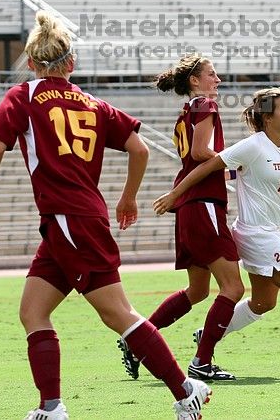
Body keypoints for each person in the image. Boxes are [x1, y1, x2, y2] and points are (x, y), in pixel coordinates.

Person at [0, 11, 211, 420]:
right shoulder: (92, 102)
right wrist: (128, 198)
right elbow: (140, 148)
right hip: (70, 221)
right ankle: (52, 407)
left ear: (30, 63)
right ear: (71, 64)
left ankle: (187, 390)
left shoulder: (23, 95)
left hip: (69, 219)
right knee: (33, 311)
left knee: (117, 313)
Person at [154, 87, 280, 377]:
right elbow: (206, 167)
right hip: (255, 232)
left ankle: (208, 334)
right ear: (267, 117)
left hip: (272, 231)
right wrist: (174, 194)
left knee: (264, 302)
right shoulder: (252, 146)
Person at [118, 54, 245, 382]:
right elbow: (201, 152)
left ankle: (136, 342)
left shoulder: (188, 110)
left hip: (191, 206)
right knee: (232, 287)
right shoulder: (205, 104)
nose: (217, 80)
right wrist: (238, 162)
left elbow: (194, 155)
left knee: (199, 290)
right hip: (203, 204)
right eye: (212, 74)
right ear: (195, 81)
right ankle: (202, 362)